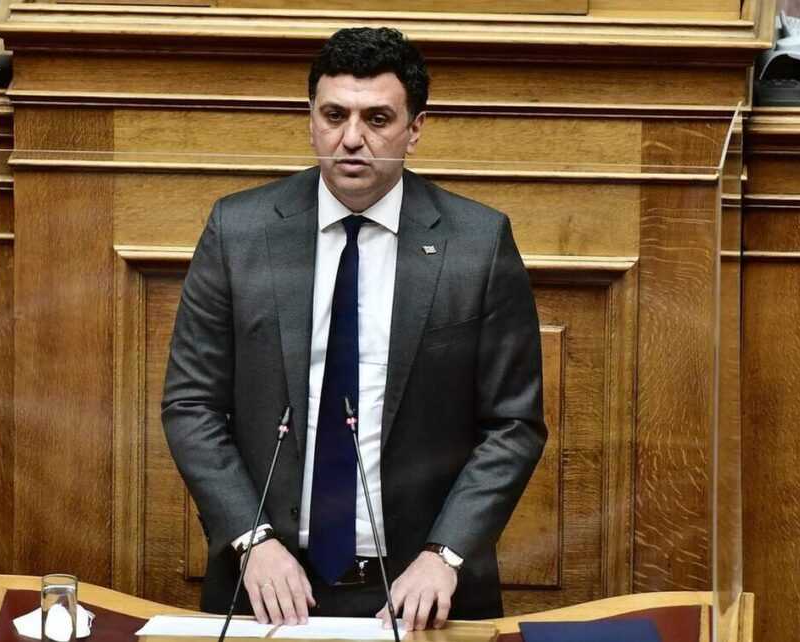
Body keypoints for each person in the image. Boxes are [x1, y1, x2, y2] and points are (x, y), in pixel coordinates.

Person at [162, 26, 546, 632]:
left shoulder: (477, 243)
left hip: (421, 592)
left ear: (415, 128)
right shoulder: (239, 231)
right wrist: (250, 538)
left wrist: (446, 554)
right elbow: (191, 404)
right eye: (334, 115)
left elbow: (513, 424)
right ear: (311, 119)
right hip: (267, 583)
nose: (351, 139)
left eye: (378, 119)